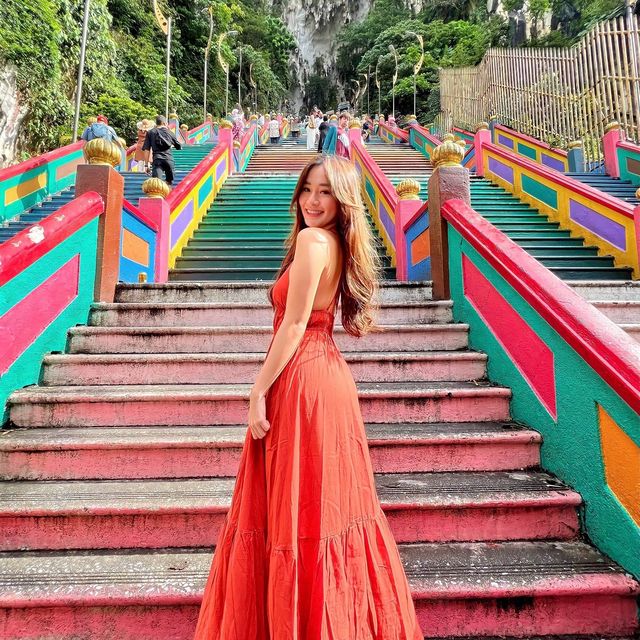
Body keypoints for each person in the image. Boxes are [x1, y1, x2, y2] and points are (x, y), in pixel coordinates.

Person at [193, 155, 422, 639]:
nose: (313, 201)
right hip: (326, 376)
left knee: (295, 509)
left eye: (325, 192)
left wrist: (258, 390)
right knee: (325, 509)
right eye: (307, 190)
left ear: (342, 202)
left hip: (303, 380)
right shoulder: (336, 243)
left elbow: (295, 323)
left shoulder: (312, 240)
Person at [142, 115, 182, 186]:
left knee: (157, 183)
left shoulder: (150, 132)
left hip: (157, 160)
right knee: (169, 182)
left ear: (156, 123)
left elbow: (147, 150)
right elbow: (179, 146)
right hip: (169, 160)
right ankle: (168, 191)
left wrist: (146, 165)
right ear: (165, 123)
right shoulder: (170, 132)